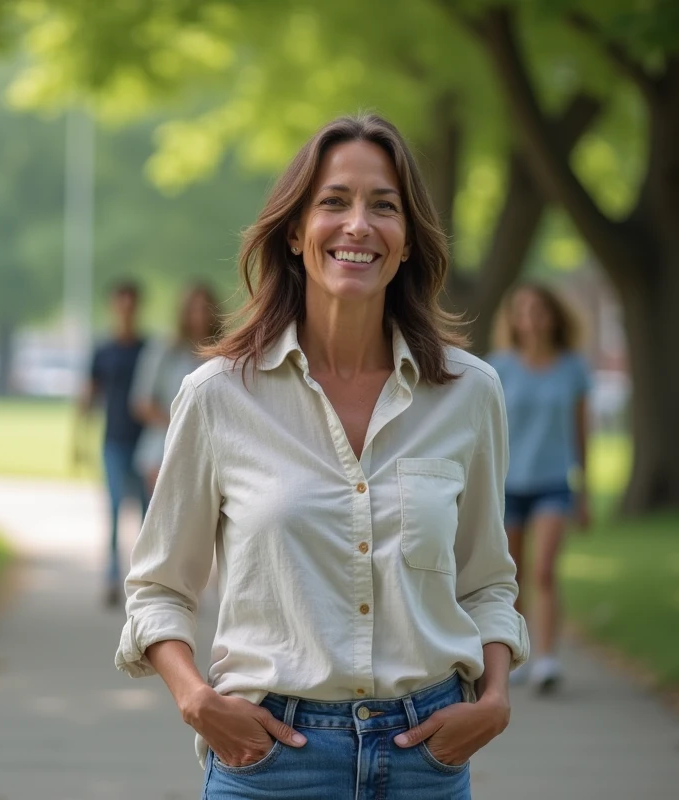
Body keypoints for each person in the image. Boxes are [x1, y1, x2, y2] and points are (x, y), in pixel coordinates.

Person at [115, 114, 528, 799]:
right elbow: (159, 587)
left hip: (427, 759)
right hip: (270, 761)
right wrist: (196, 700)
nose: (358, 225)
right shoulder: (218, 397)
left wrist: (494, 700)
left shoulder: (470, 394)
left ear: (406, 244)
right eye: (334, 202)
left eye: (384, 206)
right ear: (294, 234)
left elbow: (485, 579)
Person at [488, 283, 591, 695]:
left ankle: (547, 659)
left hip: (553, 483)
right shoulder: (497, 368)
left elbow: (583, 432)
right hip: (507, 485)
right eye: (523, 310)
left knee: (545, 571)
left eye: (539, 310)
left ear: (554, 316)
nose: (531, 318)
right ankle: (518, 655)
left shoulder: (573, 368)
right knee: (511, 576)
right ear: (513, 319)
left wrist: (584, 490)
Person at [77, 280, 148, 608]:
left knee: (149, 515)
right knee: (116, 509)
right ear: (113, 306)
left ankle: (148, 580)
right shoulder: (103, 350)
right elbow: (89, 394)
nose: (125, 310)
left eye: (130, 304)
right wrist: (78, 437)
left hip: (146, 442)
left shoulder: (149, 349)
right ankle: (110, 577)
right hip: (114, 440)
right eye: (120, 303)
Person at [130, 284, 223, 494]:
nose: (199, 317)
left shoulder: (224, 353)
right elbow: (142, 402)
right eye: (194, 309)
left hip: (211, 448)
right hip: (165, 443)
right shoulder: (164, 350)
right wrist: (181, 424)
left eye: (205, 309)